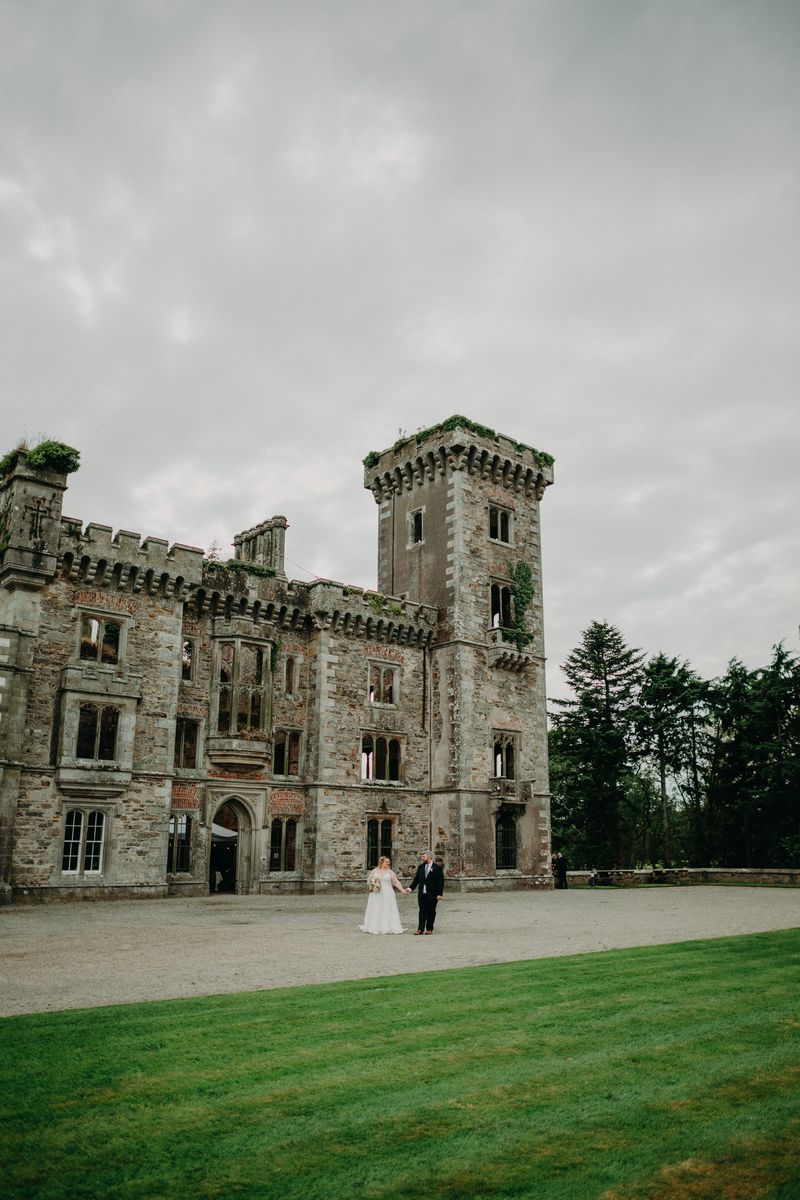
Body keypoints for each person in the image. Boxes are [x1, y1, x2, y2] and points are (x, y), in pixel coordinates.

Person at [359, 856, 410, 934]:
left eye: (389, 862)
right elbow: (368, 880)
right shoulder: (375, 871)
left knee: (387, 908)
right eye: (387, 862)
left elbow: (395, 882)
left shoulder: (390, 872)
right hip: (376, 893)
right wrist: (373, 881)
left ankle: (387, 926)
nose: (389, 863)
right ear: (382, 862)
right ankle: (374, 926)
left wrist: (402, 890)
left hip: (388, 893)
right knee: (376, 908)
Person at [409, 850, 444, 935]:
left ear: (429, 857)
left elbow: (440, 882)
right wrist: (410, 889)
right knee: (422, 911)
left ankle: (429, 928)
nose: (422, 858)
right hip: (422, 894)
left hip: (433, 894)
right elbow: (416, 880)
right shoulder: (421, 867)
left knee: (431, 911)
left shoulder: (437, 868)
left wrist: (439, 894)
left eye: (424, 857)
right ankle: (420, 929)